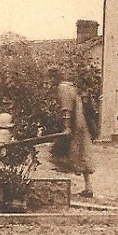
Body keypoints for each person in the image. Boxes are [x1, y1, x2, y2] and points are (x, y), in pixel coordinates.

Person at [46, 67, 95, 197]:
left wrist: (67, 127)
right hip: (80, 124)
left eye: (50, 78)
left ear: (54, 77)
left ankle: (58, 190)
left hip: (73, 126)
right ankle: (87, 187)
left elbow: (66, 109)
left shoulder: (63, 88)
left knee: (58, 156)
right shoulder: (71, 87)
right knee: (81, 155)